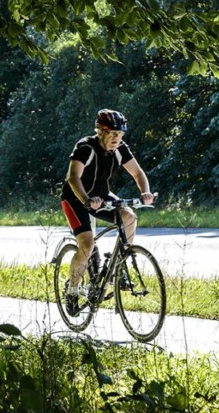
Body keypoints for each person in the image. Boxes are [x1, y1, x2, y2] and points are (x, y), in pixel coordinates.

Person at [59, 108, 155, 314]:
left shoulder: (121, 149)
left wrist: (145, 192)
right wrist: (86, 200)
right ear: (100, 131)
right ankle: (73, 290)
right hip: (76, 198)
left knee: (129, 215)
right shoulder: (85, 147)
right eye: (112, 134)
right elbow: (73, 177)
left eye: (119, 135)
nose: (116, 139)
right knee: (86, 243)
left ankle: (120, 265)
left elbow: (138, 173)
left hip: (101, 197)